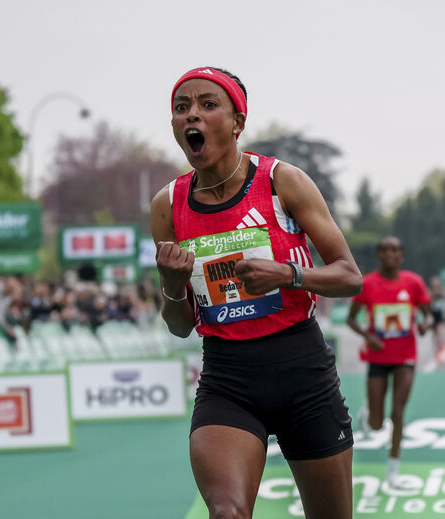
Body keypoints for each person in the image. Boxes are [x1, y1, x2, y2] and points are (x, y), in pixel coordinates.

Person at [151, 66, 362, 519]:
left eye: (209, 105)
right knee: (226, 511)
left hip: (300, 368)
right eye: (181, 108)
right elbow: (180, 325)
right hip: (228, 378)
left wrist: (288, 275)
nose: (193, 116)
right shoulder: (167, 205)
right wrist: (171, 285)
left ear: (237, 122)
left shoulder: (281, 181)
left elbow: (349, 276)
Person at [346, 236, 432, 487]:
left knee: (397, 412)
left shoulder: (414, 283)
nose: (389, 254)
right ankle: (368, 414)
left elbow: (429, 315)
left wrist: (426, 324)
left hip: (405, 357)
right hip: (378, 357)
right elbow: (351, 319)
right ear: (378, 256)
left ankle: (393, 471)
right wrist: (368, 335)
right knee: (376, 424)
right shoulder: (368, 284)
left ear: (402, 255)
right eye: (384, 250)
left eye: (395, 250)